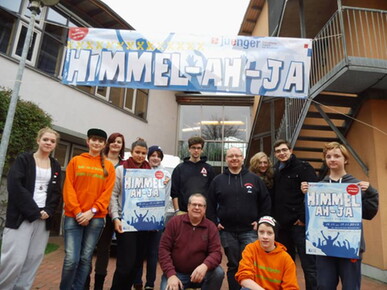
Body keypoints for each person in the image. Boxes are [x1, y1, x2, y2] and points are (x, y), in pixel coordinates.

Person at [301, 142, 378, 290]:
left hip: (350, 246)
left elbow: (369, 214)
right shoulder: (318, 187)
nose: (332, 159)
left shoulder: (357, 185)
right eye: (328, 156)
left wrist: (371, 192)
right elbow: (312, 218)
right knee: (324, 285)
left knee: (350, 287)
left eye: (337, 156)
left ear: (346, 159)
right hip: (324, 248)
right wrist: (307, 196)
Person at [0, 127, 62, 290]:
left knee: (33, 259)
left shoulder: (55, 165)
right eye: (45, 139)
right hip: (22, 217)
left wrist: (48, 211)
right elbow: (15, 186)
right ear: (38, 140)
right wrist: (34, 211)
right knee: (14, 259)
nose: (48, 143)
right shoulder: (24, 160)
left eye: (52, 141)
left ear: (55, 145)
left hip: (43, 219)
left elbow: (55, 192)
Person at [207, 147, 271, 290]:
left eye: (237, 156)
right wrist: (215, 223)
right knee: (234, 265)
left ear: (243, 159)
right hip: (227, 232)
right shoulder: (218, 180)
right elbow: (209, 204)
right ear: (226, 160)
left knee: (251, 265)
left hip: (250, 231)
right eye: (231, 156)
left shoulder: (254, 179)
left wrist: (260, 222)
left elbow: (265, 202)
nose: (234, 158)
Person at [60, 128, 116, 290]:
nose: (96, 143)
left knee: (85, 259)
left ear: (104, 144)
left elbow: (106, 194)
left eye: (100, 141)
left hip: (95, 219)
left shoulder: (108, 167)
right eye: (94, 140)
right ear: (88, 141)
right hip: (73, 216)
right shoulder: (76, 161)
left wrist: (91, 212)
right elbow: (68, 188)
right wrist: (78, 212)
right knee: (71, 259)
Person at [271, 139, 318, 290]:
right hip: (283, 227)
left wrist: (303, 218)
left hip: (300, 225)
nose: (281, 153)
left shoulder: (303, 167)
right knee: (286, 265)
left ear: (291, 150)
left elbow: (314, 195)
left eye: (284, 150)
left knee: (309, 265)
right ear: (275, 154)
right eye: (278, 151)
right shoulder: (275, 170)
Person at [109, 138, 151, 289]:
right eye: (137, 152)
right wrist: (115, 217)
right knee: (125, 265)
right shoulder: (121, 170)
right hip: (125, 222)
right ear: (131, 153)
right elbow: (113, 195)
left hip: (144, 224)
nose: (140, 155)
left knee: (136, 264)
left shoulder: (151, 172)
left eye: (143, 153)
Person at [159, 193, 224, 290]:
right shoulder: (174, 222)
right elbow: (163, 249)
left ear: (205, 209)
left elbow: (216, 252)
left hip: (201, 274)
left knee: (218, 273)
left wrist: (205, 266)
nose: (197, 208)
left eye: (200, 205)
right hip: (177, 274)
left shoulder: (211, 227)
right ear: (188, 207)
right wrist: (171, 274)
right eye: (194, 204)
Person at [90, 133, 125, 290]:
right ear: (108, 144)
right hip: (96, 210)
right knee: (90, 248)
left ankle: (99, 285)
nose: (116, 144)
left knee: (105, 249)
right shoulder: (98, 161)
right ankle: (84, 282)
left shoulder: (125, 165)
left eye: (119, 142)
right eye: (113, 141)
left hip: (115, 213)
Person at [133, 145, 171, 290]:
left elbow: (166, 198)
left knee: (153, 254)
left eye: (158, 156)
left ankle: (150, 283)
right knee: (139, 252)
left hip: (156, 221)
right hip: (140, 219)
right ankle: (137, 281)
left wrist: (160, 218)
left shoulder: (166, 175)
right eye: (153, 155)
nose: (155, 158)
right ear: (148, 156)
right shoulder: (140, 171)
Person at [235, 216, 299, 290]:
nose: (265, 236)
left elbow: (291, 287)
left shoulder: (286, 259)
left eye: (269, 233)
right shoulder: (250, 249)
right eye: (261, 232)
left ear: (275, 235)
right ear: (257, 233)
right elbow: (244, 278)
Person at [171, 136, 215, 214]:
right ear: (189, 149)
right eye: (193, 148)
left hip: (203, 213)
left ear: (202, 150)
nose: (196, 150)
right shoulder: (179, 169)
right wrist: (177, 211)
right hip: (183, 212)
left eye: (198, 148)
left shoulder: (209, 169)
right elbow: (174, 193)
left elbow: (213, 193)